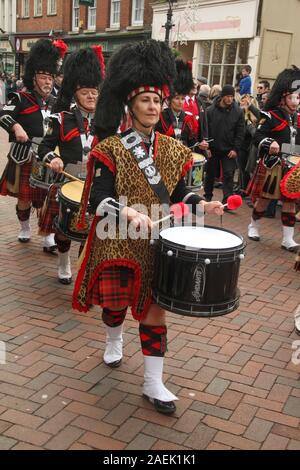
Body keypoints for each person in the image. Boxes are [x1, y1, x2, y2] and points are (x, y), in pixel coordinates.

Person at [72, 40, 224, 415]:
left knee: (155, 310)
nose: (153, 107)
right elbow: (96, 201)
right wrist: (128, 214)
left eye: (157, 100)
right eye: (145, 101)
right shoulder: (110, 148)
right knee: (116, 307)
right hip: (118, 239)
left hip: (156, 240)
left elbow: (178, 192)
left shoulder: (174, 150)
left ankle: (154, 382)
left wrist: (201, 203)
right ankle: (113, 339)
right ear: (131, 105)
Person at [37, 46, 105, 284]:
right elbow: (43, 148)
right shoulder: (61, 119)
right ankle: (64, 263)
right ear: (76, 94)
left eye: (94, 93)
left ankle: (83, 269)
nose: (91, 97)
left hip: (96, 184)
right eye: (86, 92)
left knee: (91, 233)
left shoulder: (107, 123)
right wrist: (52, 159)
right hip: (67, 182)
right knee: (64, 231)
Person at [0, 39, 66, 250]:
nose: (48, 82)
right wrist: (16, 127)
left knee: (48, 197)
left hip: (49, 157)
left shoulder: (58, 101)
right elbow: (3, 115)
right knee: (24, 197)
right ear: (33, 78)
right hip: (24, 155)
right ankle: (25, 227)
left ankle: (47, 235)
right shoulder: (20, 97)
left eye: (50, 78)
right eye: (43, 77)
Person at [247, 66, 300, 251]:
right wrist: (269, 143)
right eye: (293, 97)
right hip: (274, 165)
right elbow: (257, 137)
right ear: (284, 97)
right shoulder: (270, 115)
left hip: (292, 167)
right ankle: (253, 226)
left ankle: (287, 239)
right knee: (264, 199)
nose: (296, 102)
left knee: (290, 202)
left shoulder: (299, 119)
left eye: (298, 98)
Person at [203, 84, 245, 204]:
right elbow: (205, 129)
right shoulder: (210, 110)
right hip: (213, 148)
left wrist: (236, 149)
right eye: (227, 96)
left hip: (229, 150)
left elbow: (240, 131)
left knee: (228, 174)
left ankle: (227, 200)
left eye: (232, 96)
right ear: (222, 96)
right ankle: (207, 196)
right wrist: (207, 147)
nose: (230, 99)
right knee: (210, 174)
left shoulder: (238, 112)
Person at [155, 59, 197, 147]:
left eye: (182, 99)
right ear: (170, 100)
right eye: (177, 98)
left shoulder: (188, 119)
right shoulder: (161, 117)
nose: (180, 102)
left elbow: (191, 141)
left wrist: (199, 144)